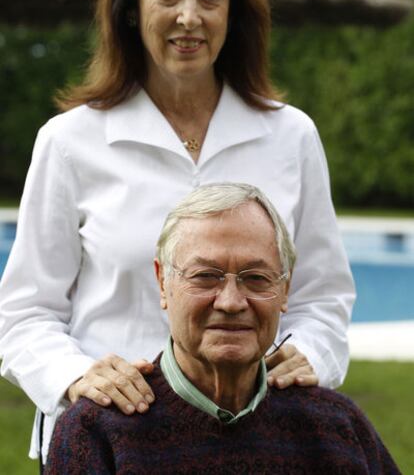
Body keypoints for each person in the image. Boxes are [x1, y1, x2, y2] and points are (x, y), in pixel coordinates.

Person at [0, 0, 355, 465]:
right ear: (130, 8)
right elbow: (23, 315)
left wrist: (311, 352)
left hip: (259, 444)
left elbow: (324, 296)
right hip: (109, 445)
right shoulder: (69, 143)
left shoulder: (291, 137)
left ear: (234, 10)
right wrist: (78, 375)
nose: (190, 16)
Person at [44, 183, 399, 475]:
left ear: (285, 290)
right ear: (162, 283)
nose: (230, 302)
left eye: (256, 278)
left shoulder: (337, 426)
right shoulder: (96, 432)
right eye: (205, 276)